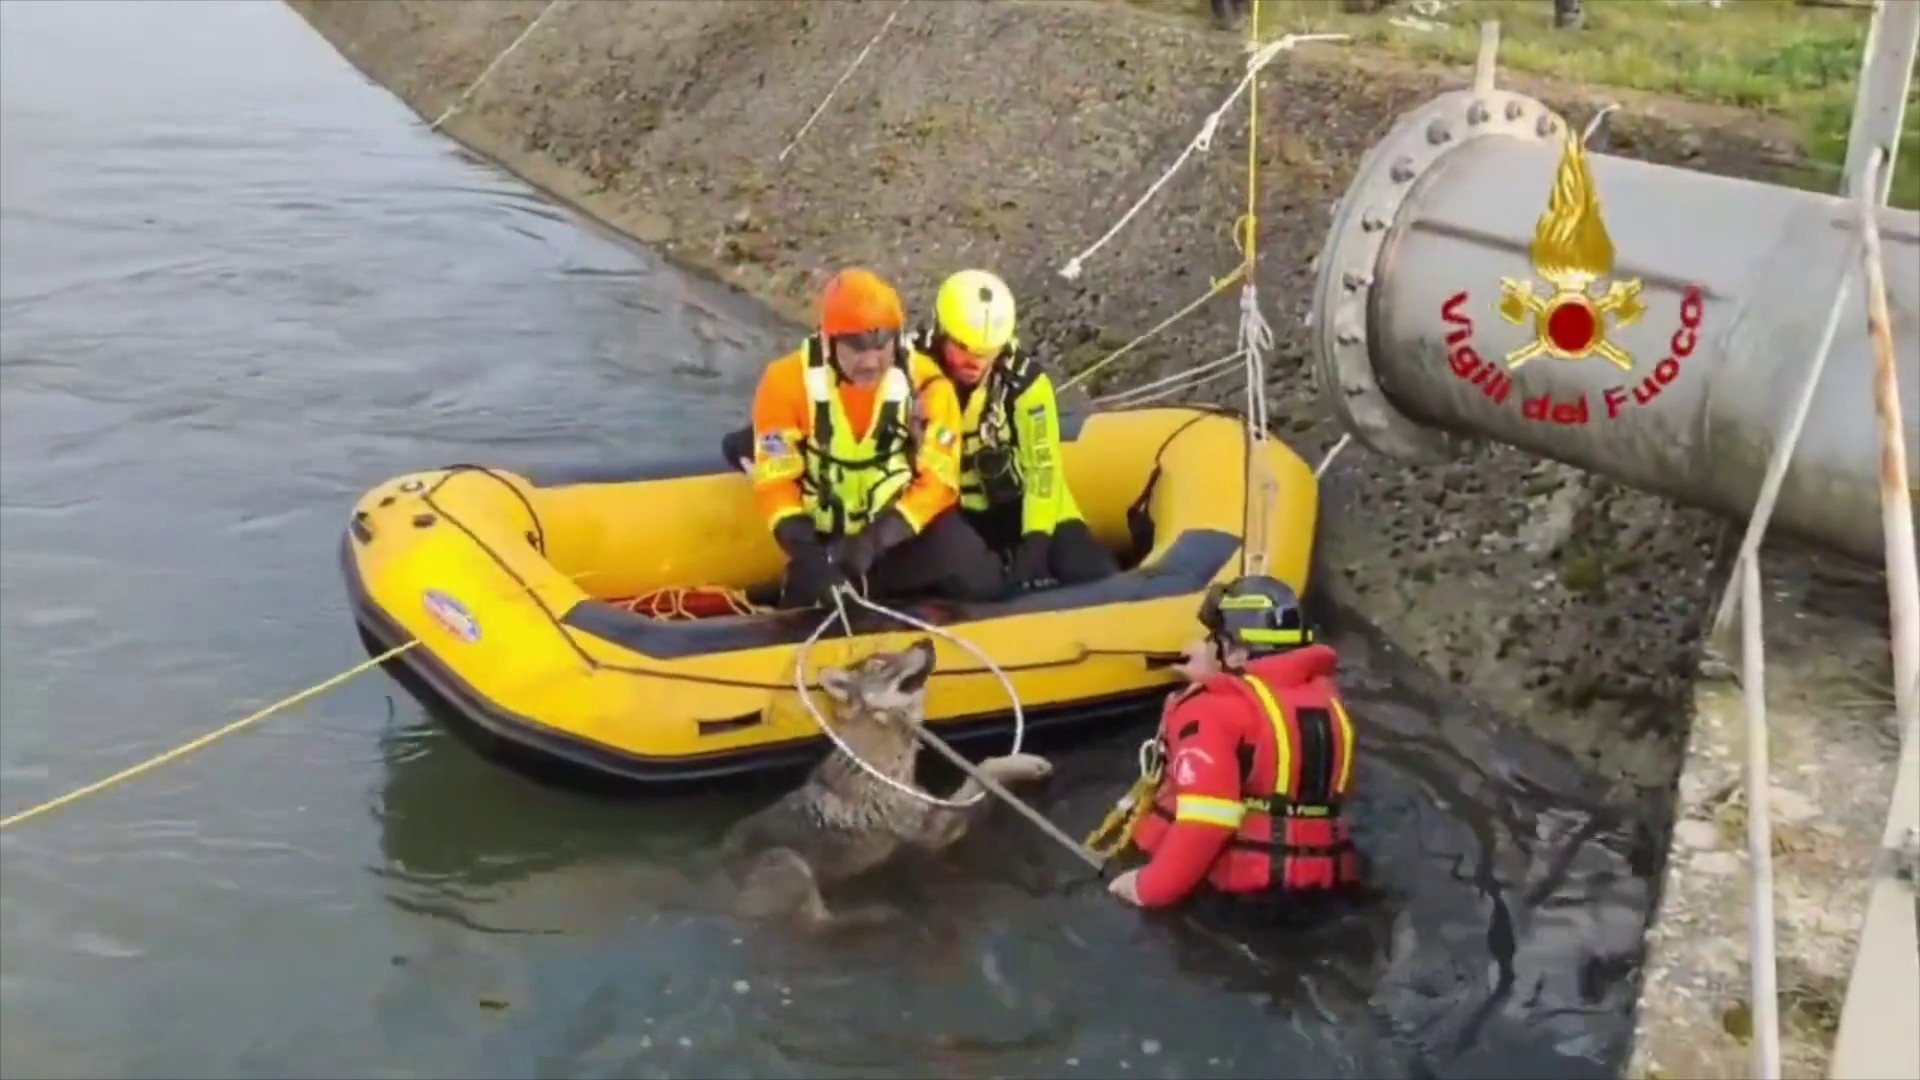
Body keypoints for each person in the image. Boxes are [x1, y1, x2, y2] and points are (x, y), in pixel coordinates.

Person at [747, 267, 1005, 609]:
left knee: (981, 578)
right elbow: (776, 483)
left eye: (882, 344)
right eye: (855, 346)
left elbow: (939, 481)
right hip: (826, 540)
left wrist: (873, 541)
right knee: (809, 599)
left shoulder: (928, 387)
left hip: (897, 534)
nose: (871, 361)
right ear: (827, 341)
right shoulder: (785, 383)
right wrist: (808, 554)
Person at [1106, 574, 1362, 911]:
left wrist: (1146, 888)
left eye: (1215, 639)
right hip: (1328, 887)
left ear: (1235, 652)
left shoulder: (1213, 710)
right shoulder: (1326, 701)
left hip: (1239, 894)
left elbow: (1208, 821)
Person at [910, 269, 1117, 590]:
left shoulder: (1025, 384)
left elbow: (1043, 471)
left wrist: (1035, 545)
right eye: (964, 348)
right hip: (952, 514)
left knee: (1094, 575)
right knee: (967, 588)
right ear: (942, 332)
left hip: (1026, 506)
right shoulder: (907, 373)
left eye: (987, 351)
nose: (975, 362)